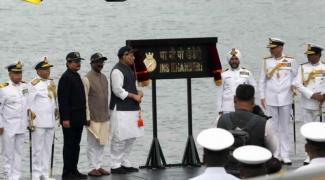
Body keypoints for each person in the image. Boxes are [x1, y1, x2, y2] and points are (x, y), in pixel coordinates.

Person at [259, 38, 297, 164]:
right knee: (273, 127)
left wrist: (293, 85)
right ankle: (275, 153)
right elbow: (262, 80)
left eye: (273, 48)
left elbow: (297, 77)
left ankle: (285, 154)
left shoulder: (291, 61)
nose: (271, 50)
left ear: (280, 48)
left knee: (285, 128)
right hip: (271, 98)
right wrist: (262, 96)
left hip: (286, 98)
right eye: (270, 48)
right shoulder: (266, 61)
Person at [109, 46, 144, 174]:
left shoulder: (130, 69)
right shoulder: (117, 71)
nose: (133, 57)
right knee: (119, 137)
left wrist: (138, 93)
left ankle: (124, 161)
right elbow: (117, 90)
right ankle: (115, 164)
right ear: (123, 56)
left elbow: (130, 87)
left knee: (131, 136)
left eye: (133, 55)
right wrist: (134, 95)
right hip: (120, 109)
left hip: (132, 108)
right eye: (130, 55)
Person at [216, 84, 277, 152]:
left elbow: (213, 145)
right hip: (254, 161)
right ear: (253, 100)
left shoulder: (219, 120)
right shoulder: (264, 123)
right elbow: (273, 149)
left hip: (226, 162)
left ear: (234, 99)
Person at [292, 44, 325, 164]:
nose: (309, 58)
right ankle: (308, 154)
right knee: (308, 129)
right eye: (308, 55)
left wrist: (323, 95)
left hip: (321, 104)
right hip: (307, 103)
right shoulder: (302, 68)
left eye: (311, 55)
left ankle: (321, 153)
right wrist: (312, 95)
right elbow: (297, 84)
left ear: (318, 55)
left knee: (321, 129)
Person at [58, 52, 87, 179]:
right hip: (69, 119)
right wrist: (65, 118)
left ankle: (74, 170)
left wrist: (84, 117)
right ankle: (67, 172)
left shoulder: (76, 76)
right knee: (69, 145)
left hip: (78, 118)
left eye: (79, 61)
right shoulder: (65, 77)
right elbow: (63, 100)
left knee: (76, 145)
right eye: (75, 62)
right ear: (68, 63)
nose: (78, 64)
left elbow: (81, 99)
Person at [28, 58, 58, 180]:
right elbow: (28, 104)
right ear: (38, 71)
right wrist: (29, 122)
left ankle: (45, 174)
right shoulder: (33, 84)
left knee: (47, 149)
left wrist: (57, 108)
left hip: (50, 121)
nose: (48, 71)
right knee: (37, 149)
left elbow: (54, 99)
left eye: (49, 69)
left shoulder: (51, 82)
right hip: (38, 122)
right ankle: (36, 174)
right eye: (45, 69)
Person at [83, 53, 110, 177]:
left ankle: (98, 165)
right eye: (98, 62)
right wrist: (87, 117)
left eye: (102, 62)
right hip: (92, 117)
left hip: (104, 115)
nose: (100, 64)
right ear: (92, 63)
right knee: (92, 143)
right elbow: (84, 100)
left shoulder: (104, 77)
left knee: (102, 142)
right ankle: (91, 167)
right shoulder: (86, 78)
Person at [0, 61, 29, 180]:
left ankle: (16, 176)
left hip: (21, 126)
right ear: (10, 75)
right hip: (8, 126)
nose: (19, 76)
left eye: (20, 73)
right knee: (8, 153)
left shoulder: (24, 86)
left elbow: (27, 104)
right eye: (16, 73)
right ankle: (7, 176)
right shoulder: (3, 88)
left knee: (18, 153)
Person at [217, 48, 256, 115]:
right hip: (227, 108)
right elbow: (219, 93)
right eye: (232, 59)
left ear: (239, 60)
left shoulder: (247, 73)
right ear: (229, 61)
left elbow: (253, 89)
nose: (234, 61)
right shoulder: (223, 75)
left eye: (236, 59)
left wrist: (252, 105)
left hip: (243, 107)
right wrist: (219, 109)